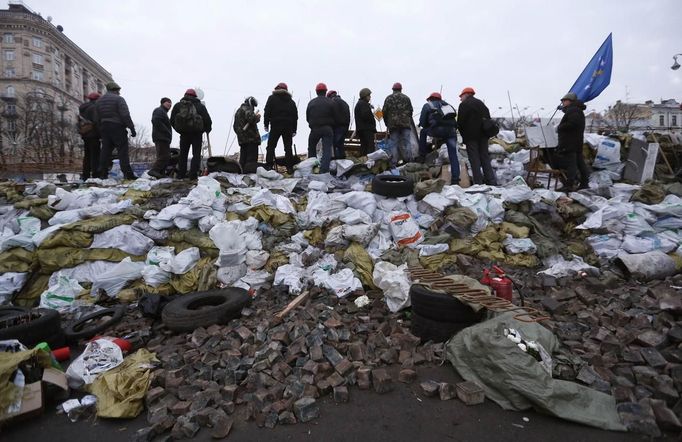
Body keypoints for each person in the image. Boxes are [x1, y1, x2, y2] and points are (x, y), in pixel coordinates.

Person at [95, 82, 137, 180]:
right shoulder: (119, 99)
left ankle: (102, 174)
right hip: (117, 127)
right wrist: (132, 128)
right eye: (118, 91)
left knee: (105, 151)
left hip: (104, 127)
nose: (119, 93)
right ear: (116, 90)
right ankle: (128, 174)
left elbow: (96, 117)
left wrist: (100, 129)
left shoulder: (99, 101)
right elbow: (125, 115)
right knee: (122, 151)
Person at [457, 87, 497, 185]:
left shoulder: (463, 105)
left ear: (466, 94)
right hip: (483, 136)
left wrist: (463, 136)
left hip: (471, 137)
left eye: (461, 96)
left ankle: (478, 183)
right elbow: (488, 119)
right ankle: (491, 181)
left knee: (474, 160)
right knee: (485, 158)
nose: (460, 99)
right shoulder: (481, 104)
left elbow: (460, 123)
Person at [170, 88, 212, 180]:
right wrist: (206, 129)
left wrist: (179, 130)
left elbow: (172, 120)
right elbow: (207, 120)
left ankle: (181, 174)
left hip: (184, 135)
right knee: (196, 155)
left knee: (183, 155)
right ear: (195, 96)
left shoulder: (178, 106)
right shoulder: (200, 106)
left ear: (185, 95)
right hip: (197, 134)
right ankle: (193, 175)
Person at [418, 92, 459, 184]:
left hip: (438, 130)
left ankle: (422, 155)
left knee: (423, 131)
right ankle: (455, 180)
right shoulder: (448, 106)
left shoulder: (428, 105)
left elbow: (423, 122)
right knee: (453, 156)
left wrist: (429, 126)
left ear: (431, 98)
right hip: (451, 132)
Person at [556, 92, 589, 190]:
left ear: (570, 101)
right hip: (575, 142)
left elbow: (572, 124)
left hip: (570, 143)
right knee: (580, 164)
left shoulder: (573, 110)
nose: (563, 103)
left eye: (564, 101)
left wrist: (560, 127)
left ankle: (569, 185)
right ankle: (584, 183)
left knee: (572, 165)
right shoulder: (576, 110)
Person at [264, 82, 298, 173]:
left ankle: (269, 166)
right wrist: (294, 130)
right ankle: (289, 168)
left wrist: (266, 124)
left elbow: (267, 111)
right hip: (288, 127)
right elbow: (295, 117)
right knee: (288, 147)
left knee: (271, 146)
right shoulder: (291, 102)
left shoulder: (272, 98)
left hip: (275, 126)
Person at [306, 82, 336, 173]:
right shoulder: (331, 102)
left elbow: (307, 117)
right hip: (327, 128)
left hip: (314, 129)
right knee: (327, 149)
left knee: (311, 147)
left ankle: (313, 168)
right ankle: (324, 170)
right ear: (325, 91)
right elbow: (335, 116)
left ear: (316, 92)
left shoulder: (311, 102)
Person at [382, 82, 414, 165]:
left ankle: (394, 162)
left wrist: (387, 123)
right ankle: (409, 160)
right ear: (401, 89)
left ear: (393, 89)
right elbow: (410, 111)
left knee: (394, 143)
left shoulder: (388, 98)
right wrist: (408, 120)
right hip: (405, 124)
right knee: (407, 141)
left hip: (393, 124)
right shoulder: (406, 98)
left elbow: (384, 112)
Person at [233, 96, 261, 172]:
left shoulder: (238, 111)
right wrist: (257, 117)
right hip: (251, 140)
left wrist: (241, 135)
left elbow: (235, 127)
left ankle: (241, 175)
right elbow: (251, 118)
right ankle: (250, 177)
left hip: (242, 140)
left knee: (243, 160)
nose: (254, 108)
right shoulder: (247, 109)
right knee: (251, 162)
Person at [78, 92, 101, 180]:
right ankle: (96, 175)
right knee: (95, 155)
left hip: (85, 134)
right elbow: (96, 121)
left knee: (87, 155)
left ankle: (85, 175)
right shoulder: (94, 108)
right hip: (94, 134)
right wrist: (101, 134)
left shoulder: (82, 108)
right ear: (97, 99)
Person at [148, 97, 173, 179]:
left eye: (170, 103)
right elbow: (156, 120)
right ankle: (154, 170)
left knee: (164, 156)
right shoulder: (159, 110)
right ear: (162, 103)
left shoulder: (163, 112)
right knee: (164, 156)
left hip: (163, 137)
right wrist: (166, 131)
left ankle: (161, 173)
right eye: (168, 102)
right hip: (161, 137)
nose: (170, 104)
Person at [326, 90, 350, 159]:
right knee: (340, 144)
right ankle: (343, 161)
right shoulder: (344, 102)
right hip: (345, 127)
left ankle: (337, 161)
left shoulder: (333, 102)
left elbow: (332, 115)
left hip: (337, 127)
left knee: (335, 145)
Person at [354, 88, 377, 156]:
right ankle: (369, 163)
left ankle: (364, 162)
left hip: (362, 129)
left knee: (364, 147)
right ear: (365, 96)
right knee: (370, 148)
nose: (370, 97)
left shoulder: (360, 104)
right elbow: (365, 116)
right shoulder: (363, 104)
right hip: (367, 129)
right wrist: (371, 118)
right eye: (369, 95)